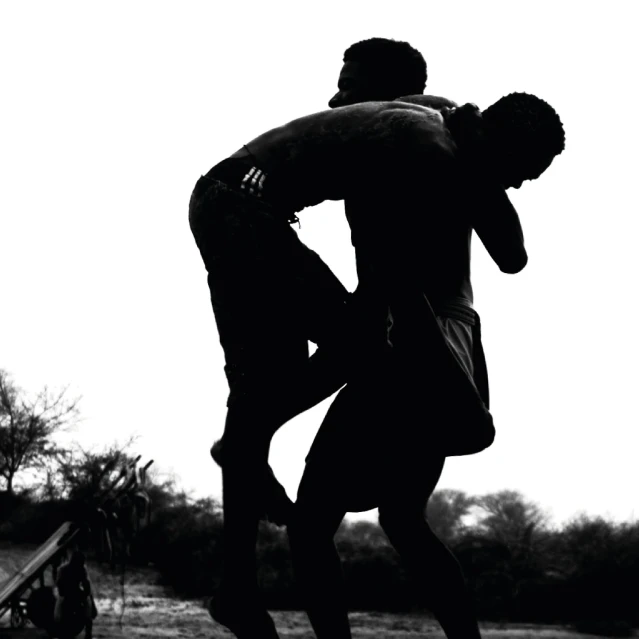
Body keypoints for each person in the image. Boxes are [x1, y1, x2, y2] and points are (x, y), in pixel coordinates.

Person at [190, 93, 564, 638]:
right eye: (519, 171)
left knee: (379, 513)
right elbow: (382, 258)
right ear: (497, 142)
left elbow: (508, 253)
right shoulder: (425, 147)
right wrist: (391, 335)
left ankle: (248, 446)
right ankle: (247, 452)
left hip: (264, 216)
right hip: (239, 204)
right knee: (348, 357)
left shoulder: (449, 133)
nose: (517, 185)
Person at [54, 550, 97, 639]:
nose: (80, 565)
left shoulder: (82, 569)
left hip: (77, 591)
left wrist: (88, 598)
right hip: (65, 592)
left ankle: (88, 633)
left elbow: (87, 585)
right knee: (59, 612)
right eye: (79, 563)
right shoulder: (62, 570)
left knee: (88, 606)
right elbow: (60, 586)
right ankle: (59, 628)